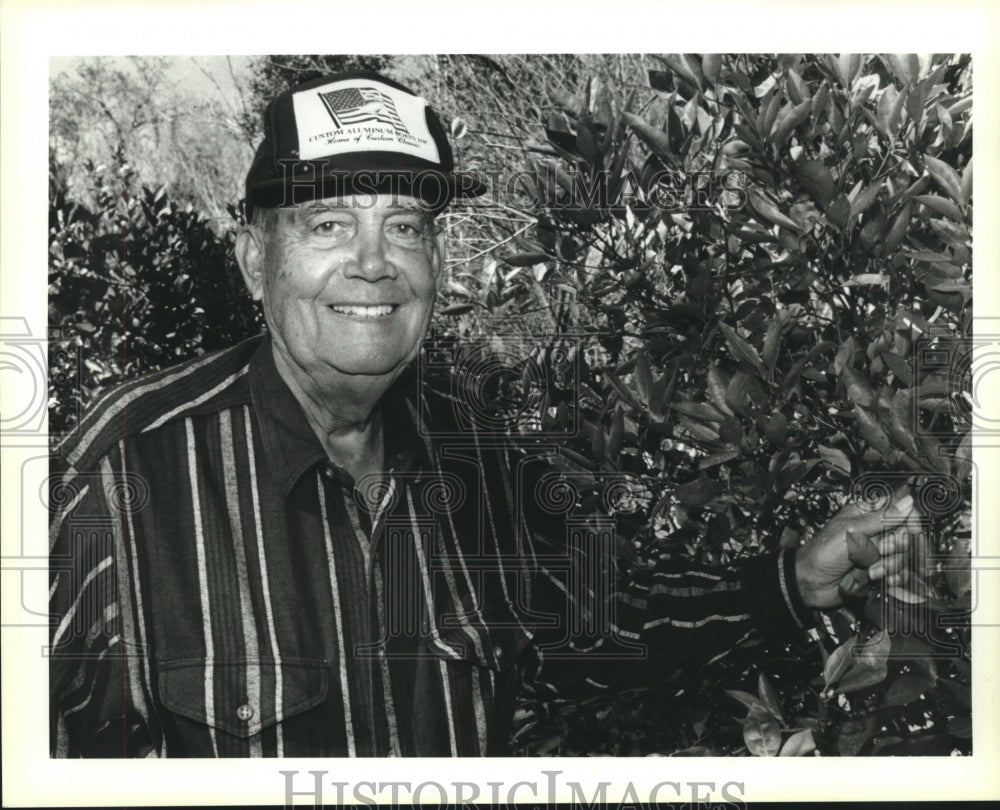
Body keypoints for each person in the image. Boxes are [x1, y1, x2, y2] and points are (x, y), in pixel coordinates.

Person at [49, 70, 918, 757]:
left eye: (405, 226)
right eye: (326, 225)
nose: (373, 264)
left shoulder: (467, 448)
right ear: (252, 260)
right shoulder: (122, 475)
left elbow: (596, 625)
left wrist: (793, 580)